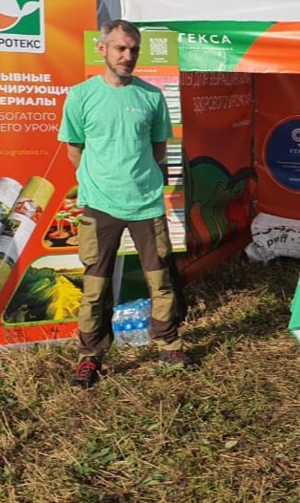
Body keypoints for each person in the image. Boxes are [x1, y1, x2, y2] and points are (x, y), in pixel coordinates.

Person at [59, 19, 190, 389]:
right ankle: (90, 356)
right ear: (102, 49)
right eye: (120, 48)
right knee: (95, 288)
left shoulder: (151, 97)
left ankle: (168, 344)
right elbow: (74, 150)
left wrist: (136, 178)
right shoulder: (80, 96)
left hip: (146, 205)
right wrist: (100, 182)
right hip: (99, 206)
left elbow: (159, 149)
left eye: (133, 49)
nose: (127, 56)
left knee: (160, 281)